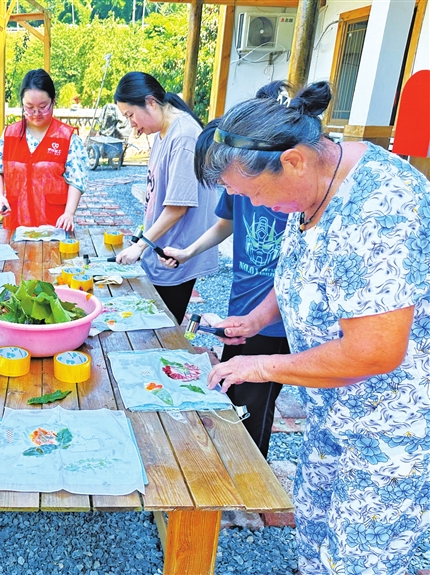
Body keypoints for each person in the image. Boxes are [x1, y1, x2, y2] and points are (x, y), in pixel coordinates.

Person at [202, 81, 430, 574]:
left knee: (356, 562)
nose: (257, 208)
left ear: (293, 161)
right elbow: (300, 276)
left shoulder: (382, 204)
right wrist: (258, 319)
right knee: (312, 542)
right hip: (331, 415)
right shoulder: (309, 188)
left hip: (390, 431)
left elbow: (375, 352)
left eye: (255, 194)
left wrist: (263, 365)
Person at [160, 110, 290, 459]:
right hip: (242, 308)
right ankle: (230, 469)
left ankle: (249, 491)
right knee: (230, 394)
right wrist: (188, 252)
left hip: (275, 323)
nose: (228, 189)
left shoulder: (288, 194)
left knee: (253, 406)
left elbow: (297, 278)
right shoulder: (239, 182)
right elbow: (225, 223)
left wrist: (263, 320)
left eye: (229, 183)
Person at [113, 71, 218, 324]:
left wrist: (140, 246)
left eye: (130, 115)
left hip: (174, 250)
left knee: (162, 329)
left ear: (150, 102)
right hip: (160, 244)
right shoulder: (163, 131)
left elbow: (177, 208)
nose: (132, 124)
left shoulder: (183, 135)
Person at [0, 69, 88, 232]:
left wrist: (69, 213)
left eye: (43, 107)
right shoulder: (9, 135)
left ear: (53, 101)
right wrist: (0, 196)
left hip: (55, 227)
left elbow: (77, 180)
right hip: (16, 227)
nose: (36, 113)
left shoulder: (67, 137)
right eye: (29, 107)